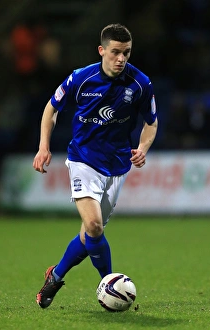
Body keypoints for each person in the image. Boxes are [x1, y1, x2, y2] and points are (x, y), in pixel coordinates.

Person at [33, 23, 158, 309]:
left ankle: (56, 274)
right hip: (83, 160)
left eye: (126, 52)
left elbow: (151, 123)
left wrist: (143, 148)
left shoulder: (140, 84)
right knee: (93, 224)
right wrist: (43, 146)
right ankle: (111, 285)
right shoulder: (81, 78)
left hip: (117, 166)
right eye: (115, 52)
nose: (121, 59)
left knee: (89, 234)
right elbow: (51, 109)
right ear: (102, 50)